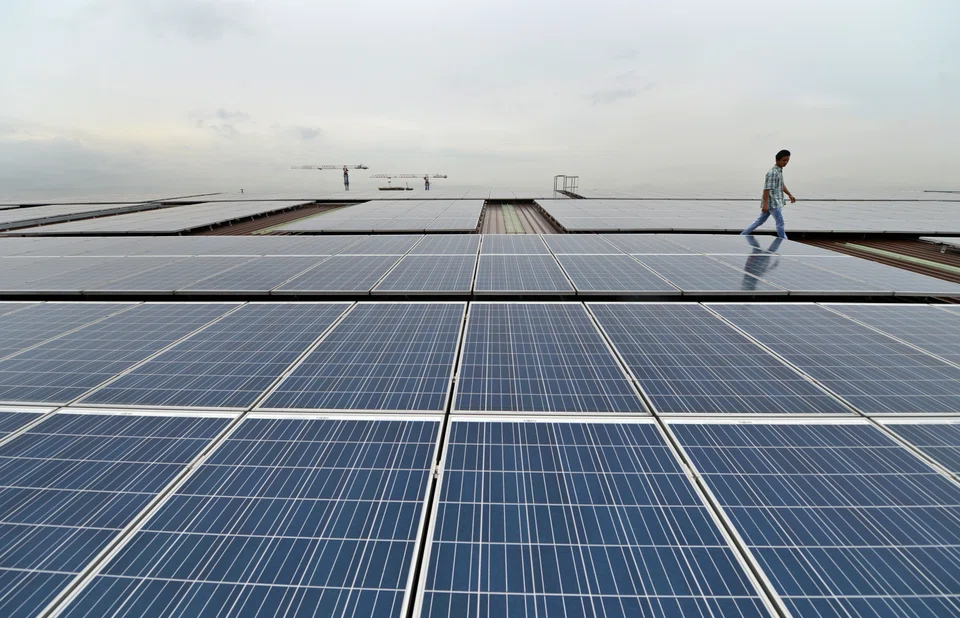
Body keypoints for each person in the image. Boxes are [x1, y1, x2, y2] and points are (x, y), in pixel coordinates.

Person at [741, 149, 796, 239]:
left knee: (760, 221)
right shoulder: (772, 173)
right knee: (780, 222)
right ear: (777, 160)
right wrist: (765, 204)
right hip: (773, 203)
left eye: (787, 160)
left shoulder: (779, 171)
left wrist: (789, 194)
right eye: (784, 160)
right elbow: (767, 189)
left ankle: (743, 234)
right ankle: (784, 240)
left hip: (773, 202)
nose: (786, 162)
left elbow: (781, 185)